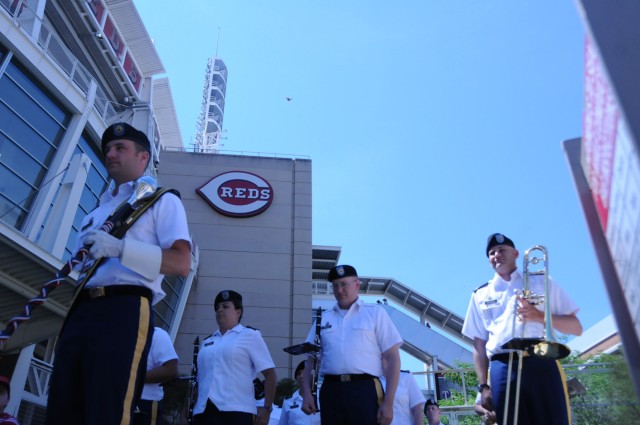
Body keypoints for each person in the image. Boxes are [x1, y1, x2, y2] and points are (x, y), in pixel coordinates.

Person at [46, 122, 192, 425]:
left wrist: (121, 249)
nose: (110, 154)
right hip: (83, 307)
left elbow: (181, 263)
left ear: (143, 157)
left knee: (108, 406)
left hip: (124, 307)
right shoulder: (94, 213)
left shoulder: (161, 200)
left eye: (120, 148)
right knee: (63, 404)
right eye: (108, 149)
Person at [462, 233, 583, 425]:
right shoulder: (480, 294)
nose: (496, 255)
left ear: (516, 253)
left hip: (542, 359)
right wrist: (483, 386)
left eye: (502, 250)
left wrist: (538, 316)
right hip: (503, 366)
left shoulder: (542, 281)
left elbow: (576, 327)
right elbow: (478, 345)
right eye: (492, 253)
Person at [301, 265, 403, 425]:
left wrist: (389, 403)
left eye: (344, 284)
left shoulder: (375, 313)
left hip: (365, 389)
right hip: (331, 390)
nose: (339, 290)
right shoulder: (323, 319)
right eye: (335, 285)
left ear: (357, 284)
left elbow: (393, 358)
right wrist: (306, 393)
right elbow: (311, 361)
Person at [193, 290, 277, 425]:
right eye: (217, 308)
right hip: (203, 412)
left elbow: (270, 374)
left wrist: (266, 409)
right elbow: (198, 379)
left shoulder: (249, 335)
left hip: (237, 411)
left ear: (238, 312)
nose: (220, 310)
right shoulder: (206, 342)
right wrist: (187, 410)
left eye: (225, 306)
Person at [136, 327, 179, 425]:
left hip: (145, 402)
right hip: (115, 399)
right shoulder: (117, 332)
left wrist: (135, 377)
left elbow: (171, 370)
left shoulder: (157, 334)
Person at [279, 361, 320, 425]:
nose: (301, 376)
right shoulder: (289, 401)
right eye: (298, 373)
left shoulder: (322, 398)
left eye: (305, 373)